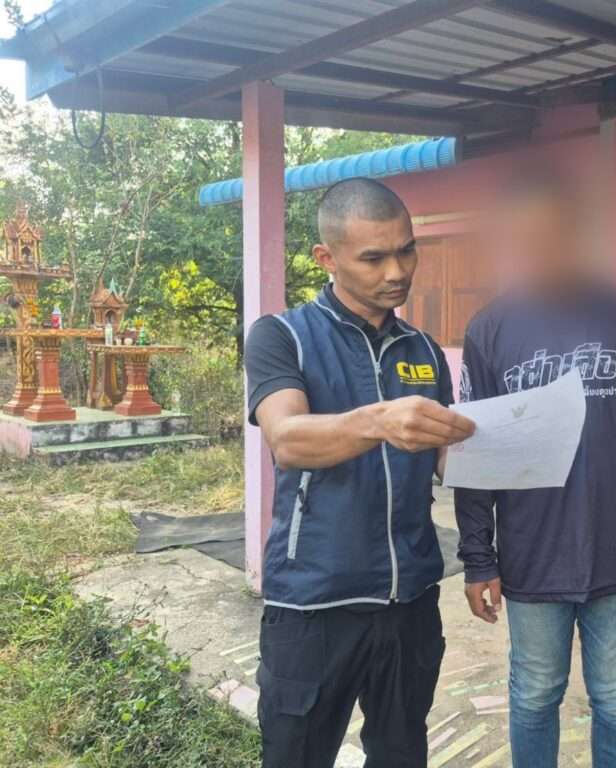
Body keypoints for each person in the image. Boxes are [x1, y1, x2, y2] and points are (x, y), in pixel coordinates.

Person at [454, 171, 616, 768]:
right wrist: (478, 556)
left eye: (557, 235)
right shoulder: (489, 329)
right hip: (533, 555)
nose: (545, 250)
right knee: (535, 696)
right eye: (530, 238)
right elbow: (476, 449)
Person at [244, 178, 475, 768]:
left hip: (411, 599)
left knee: (401, 754)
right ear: (327, 257)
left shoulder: (422, 349)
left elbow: (447, 462)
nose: (397, 272)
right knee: (296, 757)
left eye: (406, 251)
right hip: (315, 602)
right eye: (374, 258)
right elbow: (287, 439)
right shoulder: (283, 337)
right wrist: (379, 420)